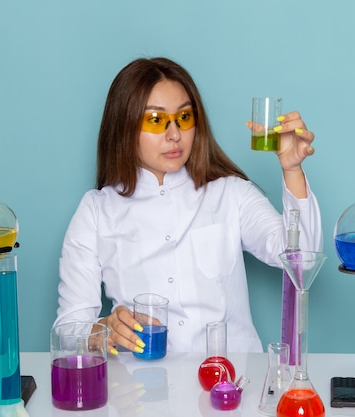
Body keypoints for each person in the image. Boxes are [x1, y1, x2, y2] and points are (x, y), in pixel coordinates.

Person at [55, 57, 322, 355]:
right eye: (155, 120)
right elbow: (69, 327)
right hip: (140, 390)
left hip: (231, 384)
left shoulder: (230, 194)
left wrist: (292, 170)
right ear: (124, 127)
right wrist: (102, 331)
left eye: (183, 118)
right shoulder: (96, 211)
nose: (174, 134)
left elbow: (303, 262)